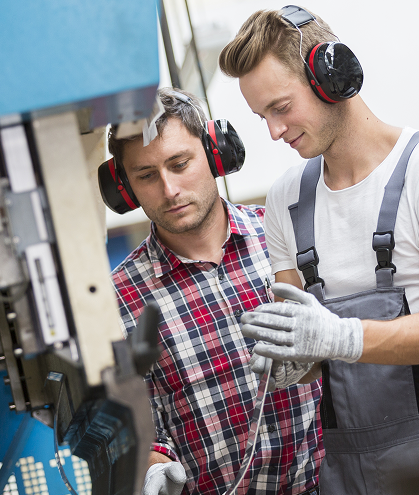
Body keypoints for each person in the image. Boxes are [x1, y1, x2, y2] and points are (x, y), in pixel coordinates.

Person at [219, 6, 419, 493]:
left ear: (331, 76)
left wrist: (341, 338)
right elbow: (309, 348)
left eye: (281, 107)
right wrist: (292, 359)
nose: (273, 131)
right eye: (261, 116)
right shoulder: (286, 199)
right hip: (347, 468)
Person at [104, 87, 324, 495]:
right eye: (146, 175)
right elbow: (140, 424)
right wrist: (151, 466)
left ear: (215, 152)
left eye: (179, 164)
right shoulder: (116, 300)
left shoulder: (284, 236)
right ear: (125, 188)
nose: (169, 189)